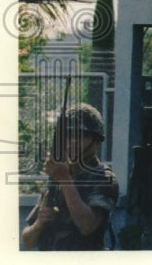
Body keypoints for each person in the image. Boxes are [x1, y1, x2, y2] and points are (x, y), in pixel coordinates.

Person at [21, 103, 119, 251]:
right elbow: (27, 242)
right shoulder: (57, 177)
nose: (73, 141)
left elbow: (87, 226)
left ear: (97, 142)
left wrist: (65, 180)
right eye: (69, 135)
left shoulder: (104, 178)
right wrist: (39, 223)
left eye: (83, 135)